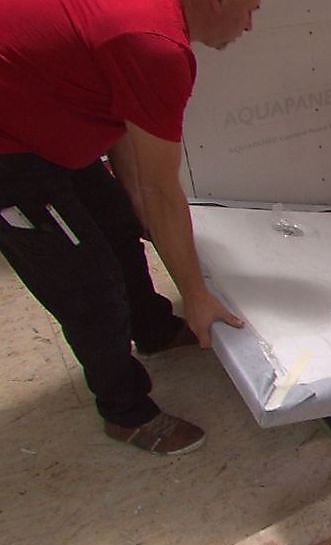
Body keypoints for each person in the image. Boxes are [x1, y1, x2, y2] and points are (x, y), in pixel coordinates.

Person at [0, 0, 261, 455]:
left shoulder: (150, 30)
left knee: (120, 225)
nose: (250, 25)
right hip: (9, 150)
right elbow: (161, 190)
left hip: (39, 108)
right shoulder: (157, 47)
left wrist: (136, 205)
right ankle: (125, 412)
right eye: (250, 9)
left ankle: (152, 328)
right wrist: (195, 294)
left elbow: (129, 132)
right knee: (89, 288)